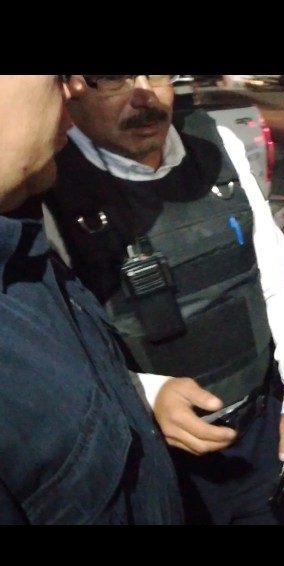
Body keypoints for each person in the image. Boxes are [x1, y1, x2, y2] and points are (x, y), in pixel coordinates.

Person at [38, 75, 284, 525]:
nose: (143, 94)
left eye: (155, 74)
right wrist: (146, 394)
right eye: (113, 79)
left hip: (262, 432)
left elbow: (275, 273)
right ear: (72, 89)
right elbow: (55, 346)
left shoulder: (217, 142)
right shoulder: (49, 182)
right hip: (154, 459)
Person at [0, 75, 184, 524]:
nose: (75, 90)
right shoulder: (54, 198)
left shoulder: (23, 243)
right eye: (59, 77)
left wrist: (142, 392)